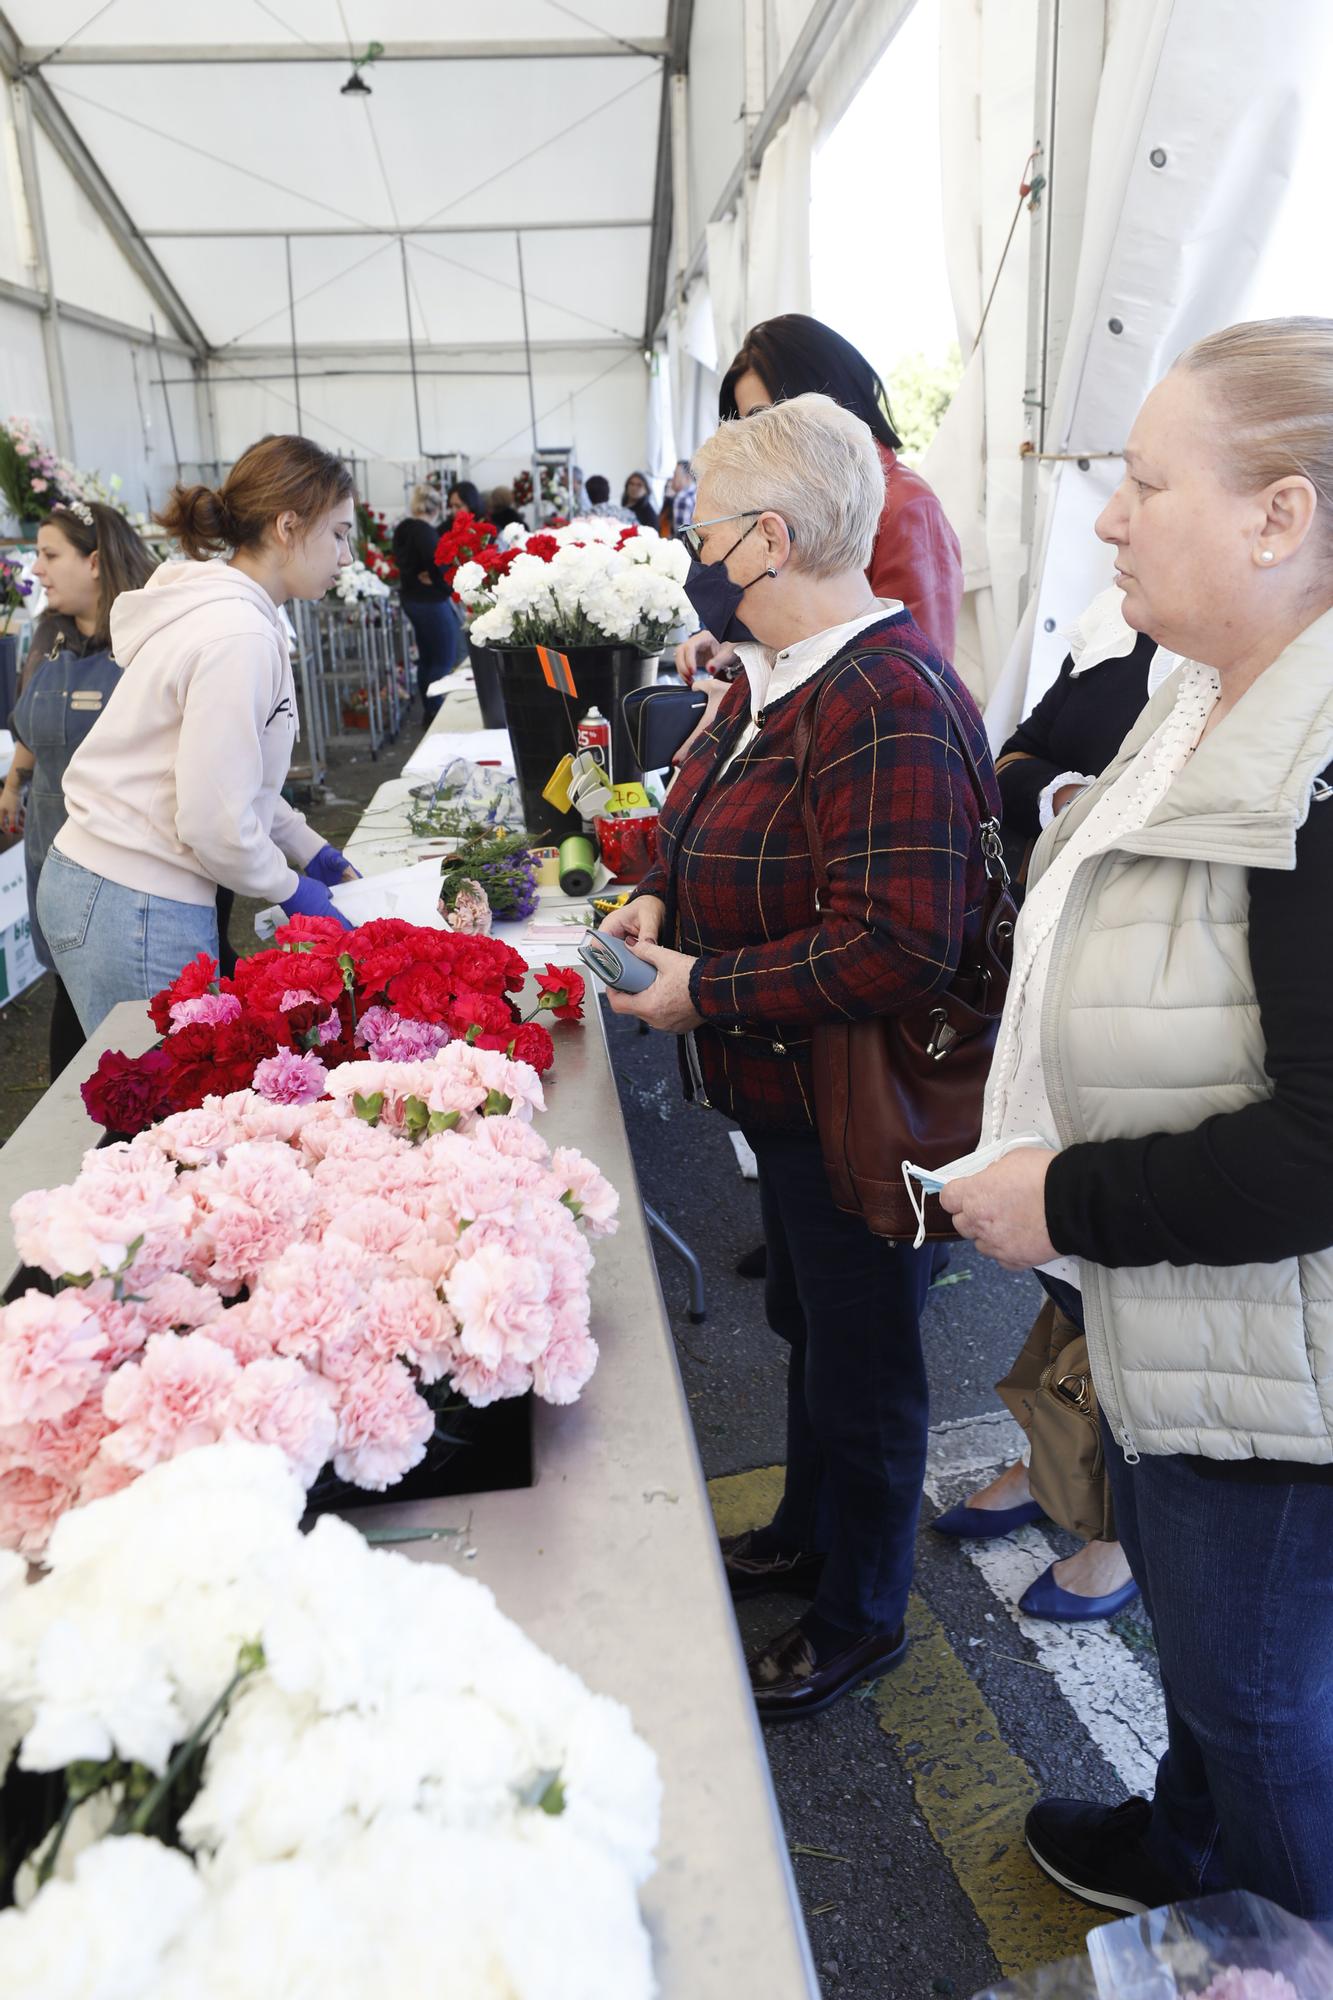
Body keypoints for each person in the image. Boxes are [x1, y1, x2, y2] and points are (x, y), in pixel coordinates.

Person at [941, 317, 1333, 1920]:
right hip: (1219, 1340)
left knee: (1259, 1702)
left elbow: (1319, 1146)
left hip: (1278, 1380)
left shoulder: (1312, 772)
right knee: (1223, 1674)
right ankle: (1191, 1849)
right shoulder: (1211, 701)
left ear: (1278, 516)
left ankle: (1286, 1922)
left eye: (1145, 482)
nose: (1106, 517)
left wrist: (1066, 1202)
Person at [600, 394, 999, 1721]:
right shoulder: (771, 677)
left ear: (769, 540)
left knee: (867, 1358)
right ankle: (804, 1533)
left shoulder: (884, 695)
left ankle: (859, 1612)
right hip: (784, 1099)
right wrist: (658, 890)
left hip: (854, 1111)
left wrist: (702, 987)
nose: (694, 550)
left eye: (703, 528)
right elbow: (699, 819)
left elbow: (895, 945)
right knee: (812, 1328)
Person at [931, 592, 1174, 1620]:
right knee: (1062, 1285)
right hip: (1064, 1021)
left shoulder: (1259, 678)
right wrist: (1070, 790)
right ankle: (1058, 1463)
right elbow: (1015, 760)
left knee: (1120, 1294)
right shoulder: (1122, 640)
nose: (1114, 519)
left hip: (1146, 1031)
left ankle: (1115, 1525)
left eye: (1152, 490)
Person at [37, 434, 361, 1037]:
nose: (346, 556)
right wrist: (291, 889)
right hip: (134, 895)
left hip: (120, 883)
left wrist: (302, 842)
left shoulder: (233, 612)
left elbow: (231, 770)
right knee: (164, 1109)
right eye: (339, 534)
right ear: (289, 526)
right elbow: (214, 819)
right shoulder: (237, 633)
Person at [0, 502, 156, 1076]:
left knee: (112, 1015)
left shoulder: (148, 644)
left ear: (94, 561)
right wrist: (13, 785)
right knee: (69, 982)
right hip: (49, 847)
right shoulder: (49, 639)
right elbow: (30, 725)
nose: (36, 569)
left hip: (124, 864)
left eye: (49, 554)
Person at [392, 482, 463, 724]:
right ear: (436, 509)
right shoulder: (426, 533)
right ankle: (437, 712)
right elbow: (438, 565)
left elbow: (403, 565)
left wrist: (420, 577)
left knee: (427, 658)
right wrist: (443, 584)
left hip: (412, 599)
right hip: (431, 602)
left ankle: (429, 709)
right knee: (442, 659)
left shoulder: (403, 529)